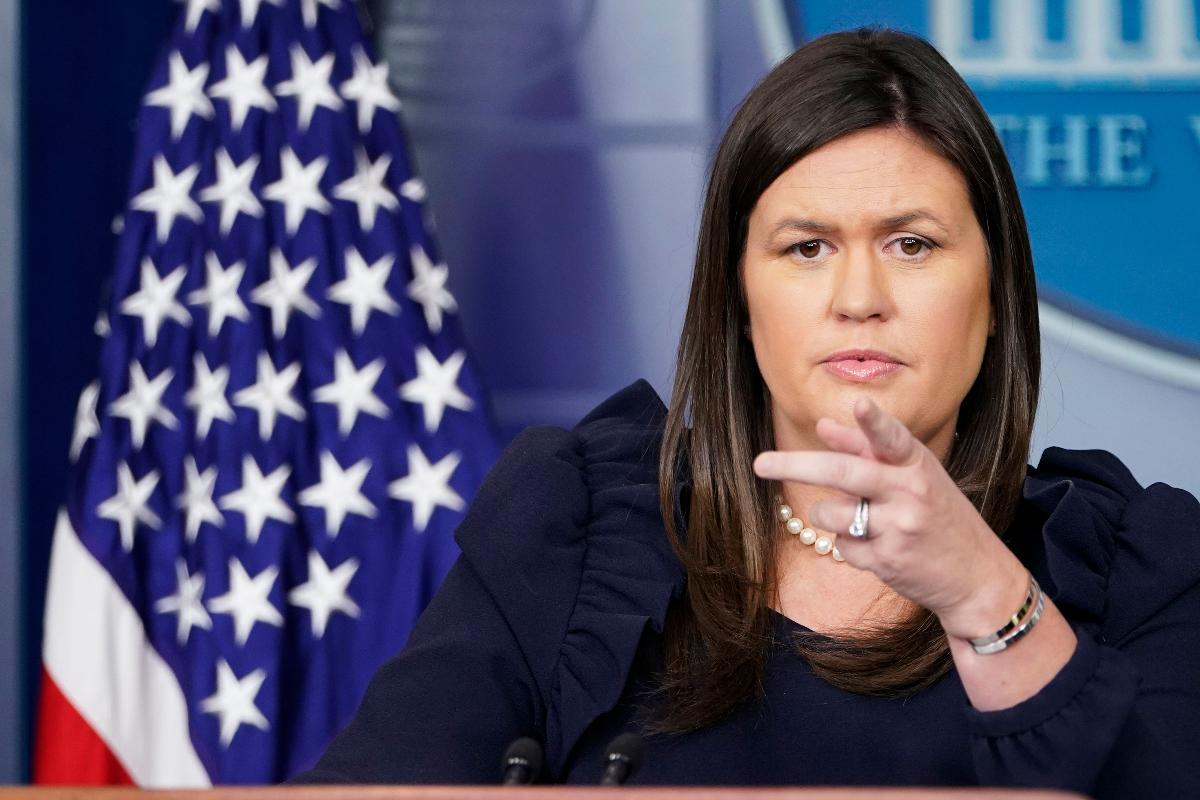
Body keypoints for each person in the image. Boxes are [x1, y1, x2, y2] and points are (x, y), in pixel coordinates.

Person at [293, 27, 1200, 796]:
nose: (859, 297)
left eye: (913, 245)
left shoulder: (1138, 567)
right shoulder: (574, 527)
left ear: (997, 293)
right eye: (806, 247)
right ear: (739, 297)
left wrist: (985, 596)